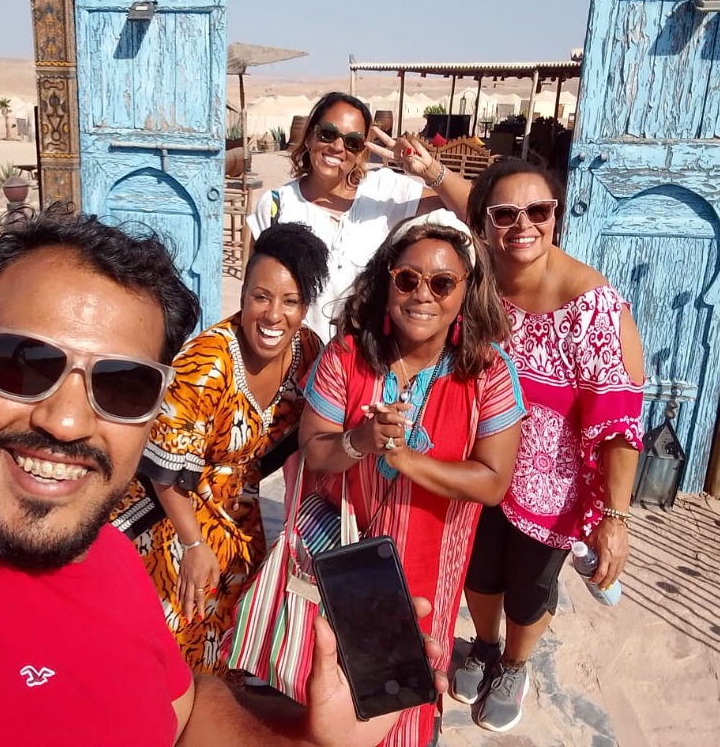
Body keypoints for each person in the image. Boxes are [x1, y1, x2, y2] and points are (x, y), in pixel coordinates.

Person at [0, 208, 449, 746]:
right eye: (24, 364)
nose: (69, 419)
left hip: (235, 534)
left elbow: (180, 710)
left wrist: (312, 740)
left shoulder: (107, 559)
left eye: (123, 386)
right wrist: (194, 537)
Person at [298, 210, 528, 746]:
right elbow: (314, 451)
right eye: (408, 279)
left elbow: (493, 482)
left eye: (443, 283)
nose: (423, 294)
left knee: (411, 693)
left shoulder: (488, 373)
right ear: (387, 282)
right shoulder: (348, 357)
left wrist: (405, 460)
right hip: (344, 563)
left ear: (466, 292)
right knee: (335, 686)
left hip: (431, 571)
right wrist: (360, 441)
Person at [448, 159, 645, 733]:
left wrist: (614, 516)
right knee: (478, 572)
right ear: (484, 224)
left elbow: (618, 420)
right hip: (479, 462)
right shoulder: (477, 280)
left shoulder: (591, 305)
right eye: (505, 214)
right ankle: (484, 647)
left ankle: (514, 663)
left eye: (539, 210)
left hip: (552, 484)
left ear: (556, 214)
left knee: (528, 589)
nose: (523, 225)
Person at [119, 222, 328, 676]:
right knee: (181, 626)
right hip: (175, 510)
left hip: (239, 507)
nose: (274, 316)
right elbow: (163, 472)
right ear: (243, 294)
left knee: (238, 628)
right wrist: (193, 543)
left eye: (290, 302)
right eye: (261, 297)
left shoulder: (307, 350)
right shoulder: (207, 363)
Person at [248, 91, 447, 340]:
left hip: (363, 367)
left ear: (362, 152)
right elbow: (253, 295)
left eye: (352, 141)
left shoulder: (384, 192)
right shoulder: (277, 206)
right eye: (328, 134)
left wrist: (430, 171)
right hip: (293, 367)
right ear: (309, 136)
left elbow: (474, 208)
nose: (338, 147)